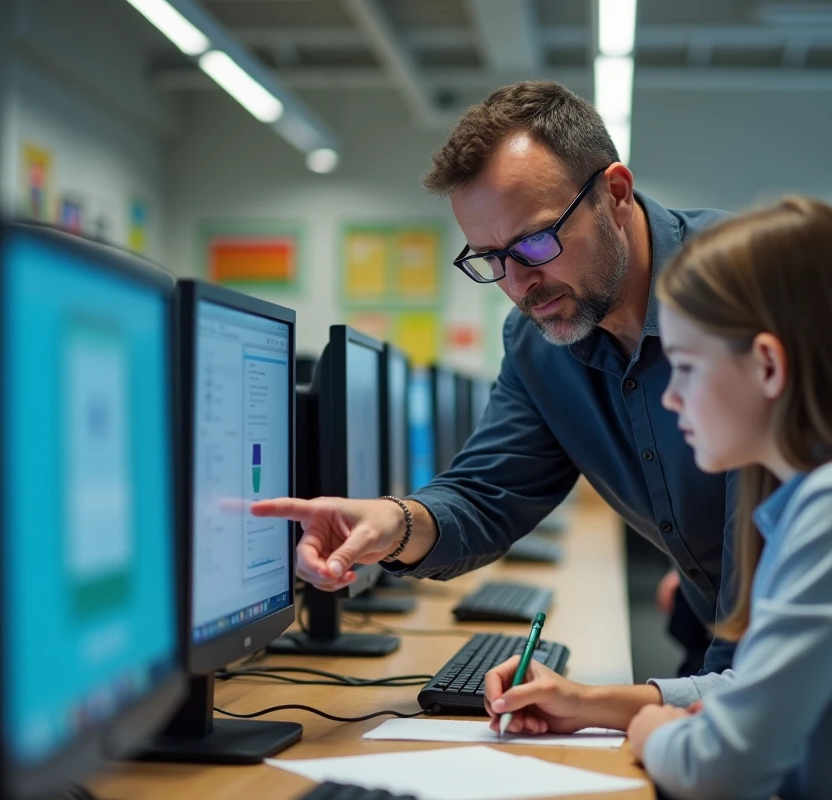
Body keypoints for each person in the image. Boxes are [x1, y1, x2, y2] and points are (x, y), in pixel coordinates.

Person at [480, 198, 832, 800]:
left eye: (687, 367)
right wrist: (589, 702)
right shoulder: (819, 497)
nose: (670, 400)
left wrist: (647, 728)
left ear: (768, 366)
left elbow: (720, 769)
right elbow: (757, 687)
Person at [252, 81, 737, 675]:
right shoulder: (539, 343)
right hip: (718, 640)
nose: (516, 285)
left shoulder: (747, 289)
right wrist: (393, 523)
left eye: (534, 242)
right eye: (489, 258)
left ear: (614, 193)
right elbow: (489, 494)